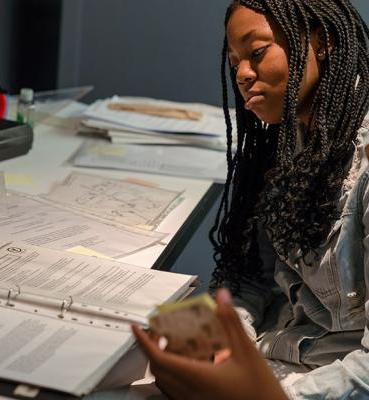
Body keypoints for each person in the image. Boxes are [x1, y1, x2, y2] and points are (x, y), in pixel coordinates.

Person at [133, 0, 369, 399]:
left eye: (257, 53)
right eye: (235, 60)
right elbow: (249, 275)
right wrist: (225, 344)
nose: (242, 73)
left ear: (323, 40)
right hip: (282, 352)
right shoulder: (284, 138)